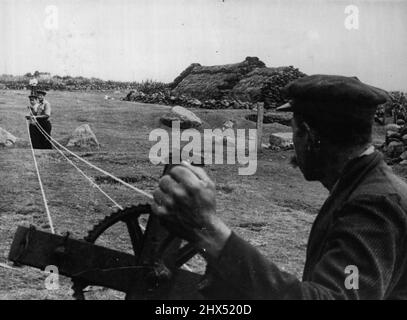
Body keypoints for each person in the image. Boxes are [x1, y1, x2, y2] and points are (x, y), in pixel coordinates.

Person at [151, 75, 407, 299]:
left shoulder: (374, 203)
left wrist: (209, 231)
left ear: (309, 135)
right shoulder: (365, 186)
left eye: (295, 132)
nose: (294, 144)